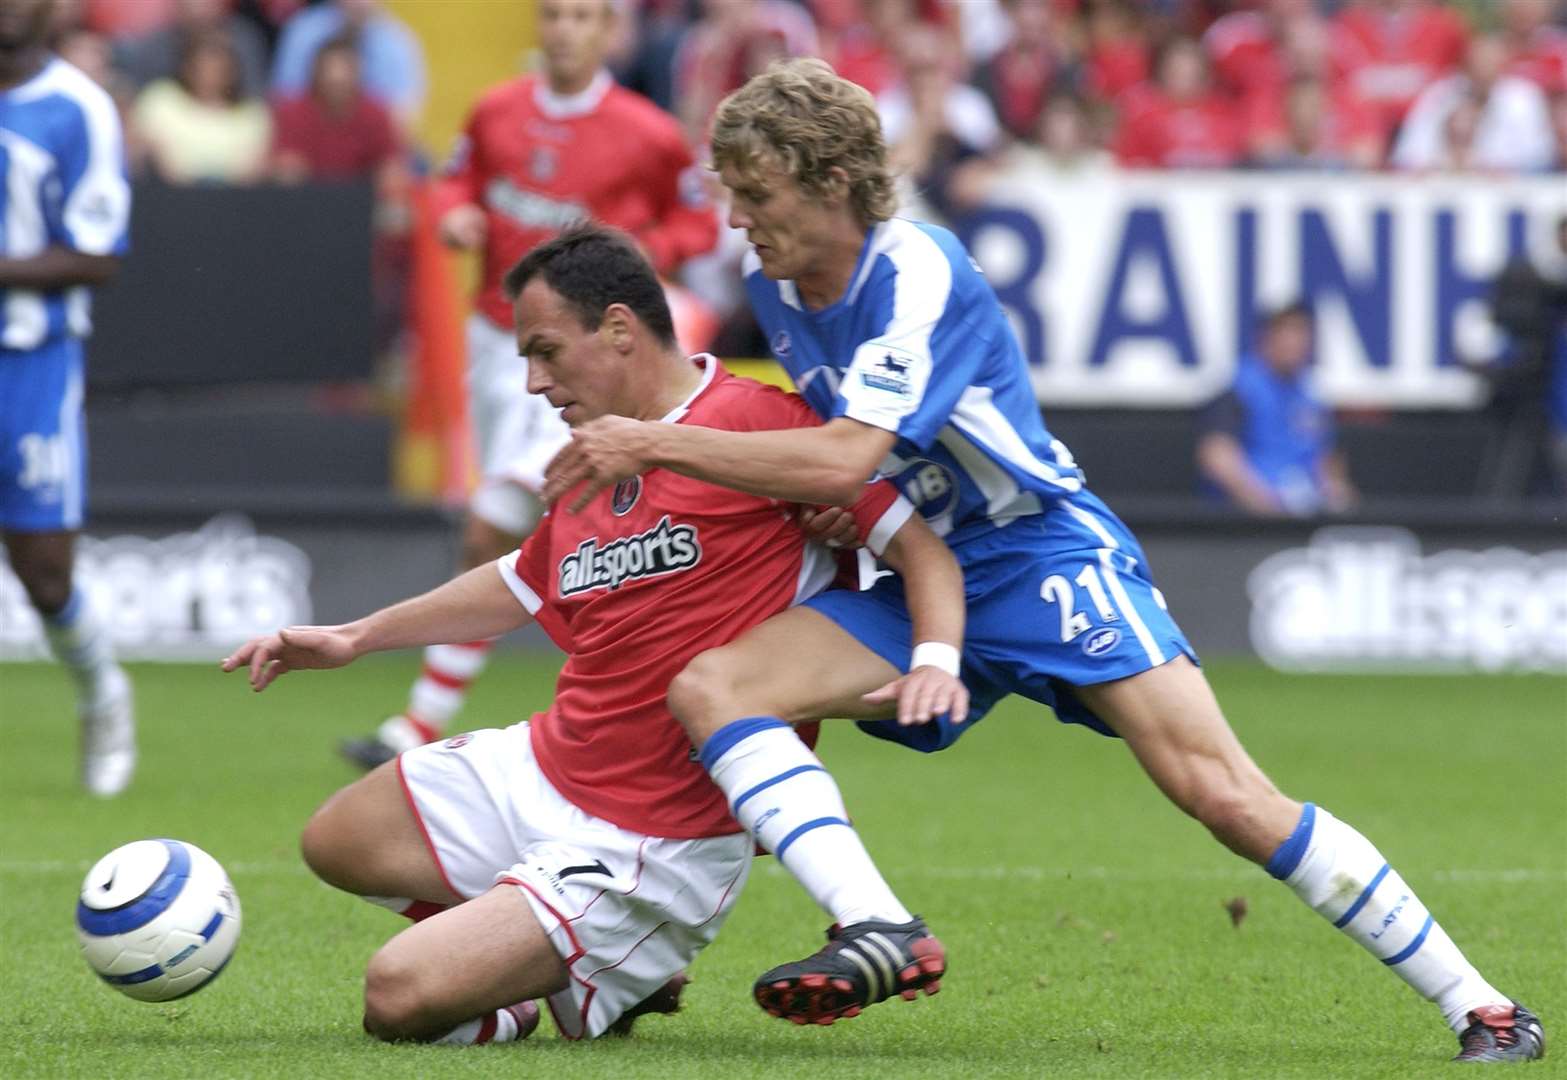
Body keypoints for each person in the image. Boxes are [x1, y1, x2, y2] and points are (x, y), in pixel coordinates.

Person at [540, 58, 1546, 1062]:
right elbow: (847, 457)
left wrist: (657, 441)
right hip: (923, 571)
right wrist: (845, 511)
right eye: (732, 197)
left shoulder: (917, 273)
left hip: (1040, 555)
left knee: (1224, 795)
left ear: (832, 182)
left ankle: (1484, 1007)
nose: (737, 222)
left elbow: (848, 449)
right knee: (717, 686)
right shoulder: (777, 284)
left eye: (756, 196)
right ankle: (873, 926)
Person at [222, 223, 965, 1044]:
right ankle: (581, 963)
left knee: (397, 997)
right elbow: (519, 582)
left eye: (545, 352)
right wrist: (357, 636)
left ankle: (553, 979)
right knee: (336, 838)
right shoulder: (590, 456)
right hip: (548, 765)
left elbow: (919, 550)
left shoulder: (762, 424)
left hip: (654, 839)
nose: (535, 383)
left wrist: (935, 659)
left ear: (618, 328)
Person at [338, 0, 720, 770]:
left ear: (608, 30)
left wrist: (642, 250)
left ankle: (422, 724)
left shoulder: (645, 131)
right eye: (552, 15)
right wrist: (455, 218)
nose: (564, 30)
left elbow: (698, 226)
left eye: (582, 17)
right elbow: (455, 182)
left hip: (582, 353)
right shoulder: (496, 112)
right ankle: (657, 697)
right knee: (544, 536)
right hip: (495, 342)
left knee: (498, 520)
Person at [0, 0, 134, 796]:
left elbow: (96, 254)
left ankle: (102, 694)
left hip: (31, 363)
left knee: (45, 574)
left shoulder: (79, 107)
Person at [1195, 302, 1356, 517]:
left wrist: (1338, 498)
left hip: (1306, 512)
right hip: (1252, 519)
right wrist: (1268, 509)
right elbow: (1217, 456)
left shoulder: (1311, 396)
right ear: (1266, 337)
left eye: (1301, 332)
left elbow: (1326, 460)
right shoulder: (1239, 390)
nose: (1294, 342)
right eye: (1286, 332)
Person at [130, 28, 271, 184]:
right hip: (165, 195)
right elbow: (138, 152)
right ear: (188, 67)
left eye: (219, 68)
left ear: (232, 70)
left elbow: (254, 168)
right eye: (203, 66)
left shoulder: (251, 111)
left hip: (236, 202)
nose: (210, 74)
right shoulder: (160, 99)